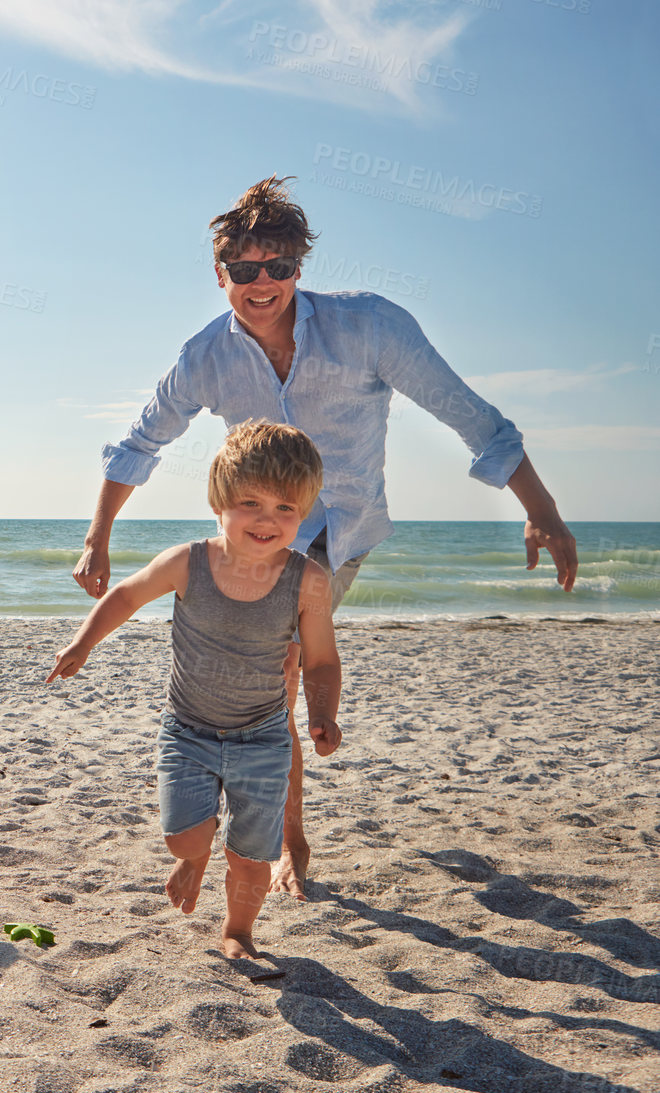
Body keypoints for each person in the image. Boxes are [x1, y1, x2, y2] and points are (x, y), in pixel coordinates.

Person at [74, 176, 576, 900]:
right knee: (270, 684)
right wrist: (99, 535)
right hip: (264, 532)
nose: (262, 282)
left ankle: (289, 840)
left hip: (343, 531)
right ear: (222, 276)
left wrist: (542, 507)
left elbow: (468, 415)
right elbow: (138, 444)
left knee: (278, 676)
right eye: (244, 270)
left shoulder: (370, 326)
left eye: (277, 266)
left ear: (299, 269)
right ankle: (288, 837)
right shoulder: (204, 357)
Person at [51, 422, 340, 959]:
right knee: (182, 839)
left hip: (263, 738)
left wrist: (324, 712)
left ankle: (238, 931)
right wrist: (83, 643)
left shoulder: (308, 580)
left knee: (252, 858)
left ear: (304, 513)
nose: (266, 520)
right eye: (250, 502)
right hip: (187, 730)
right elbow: (126, 597)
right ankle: (195, 854)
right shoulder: (188, 562)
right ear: (219, 502)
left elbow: (321, 661)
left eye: (286, 509)